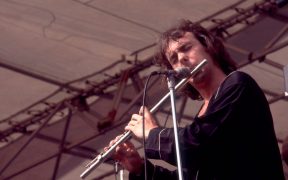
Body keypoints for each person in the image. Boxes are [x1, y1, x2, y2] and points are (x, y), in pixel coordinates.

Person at [107, 19, 285, 180]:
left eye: (186, 48)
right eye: (174, 59)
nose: (182, 58)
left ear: (208, 46)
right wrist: (140, 168)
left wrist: (151, 133)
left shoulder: (237, 84)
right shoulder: (203, 115)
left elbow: (195, 146)